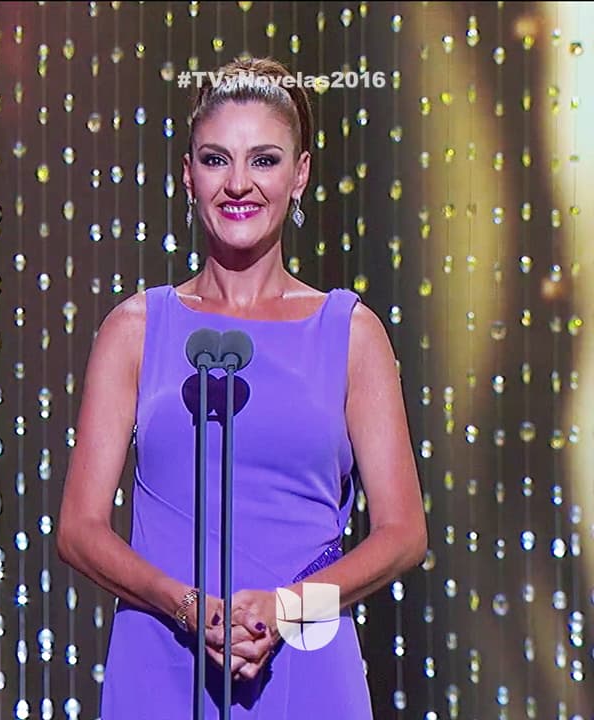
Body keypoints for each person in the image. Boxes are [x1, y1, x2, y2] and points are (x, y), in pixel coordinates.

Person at [57, 57, 428, 718]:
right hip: (161, 654)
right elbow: (80, 530)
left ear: (300, 174)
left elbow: (402, 536)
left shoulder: (352, 332)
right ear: (187, 174)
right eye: (215, 159)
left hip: (307, 663)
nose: (237, 184)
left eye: (263, 160)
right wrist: (184, 604)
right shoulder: (135, 329)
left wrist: (288, 610)